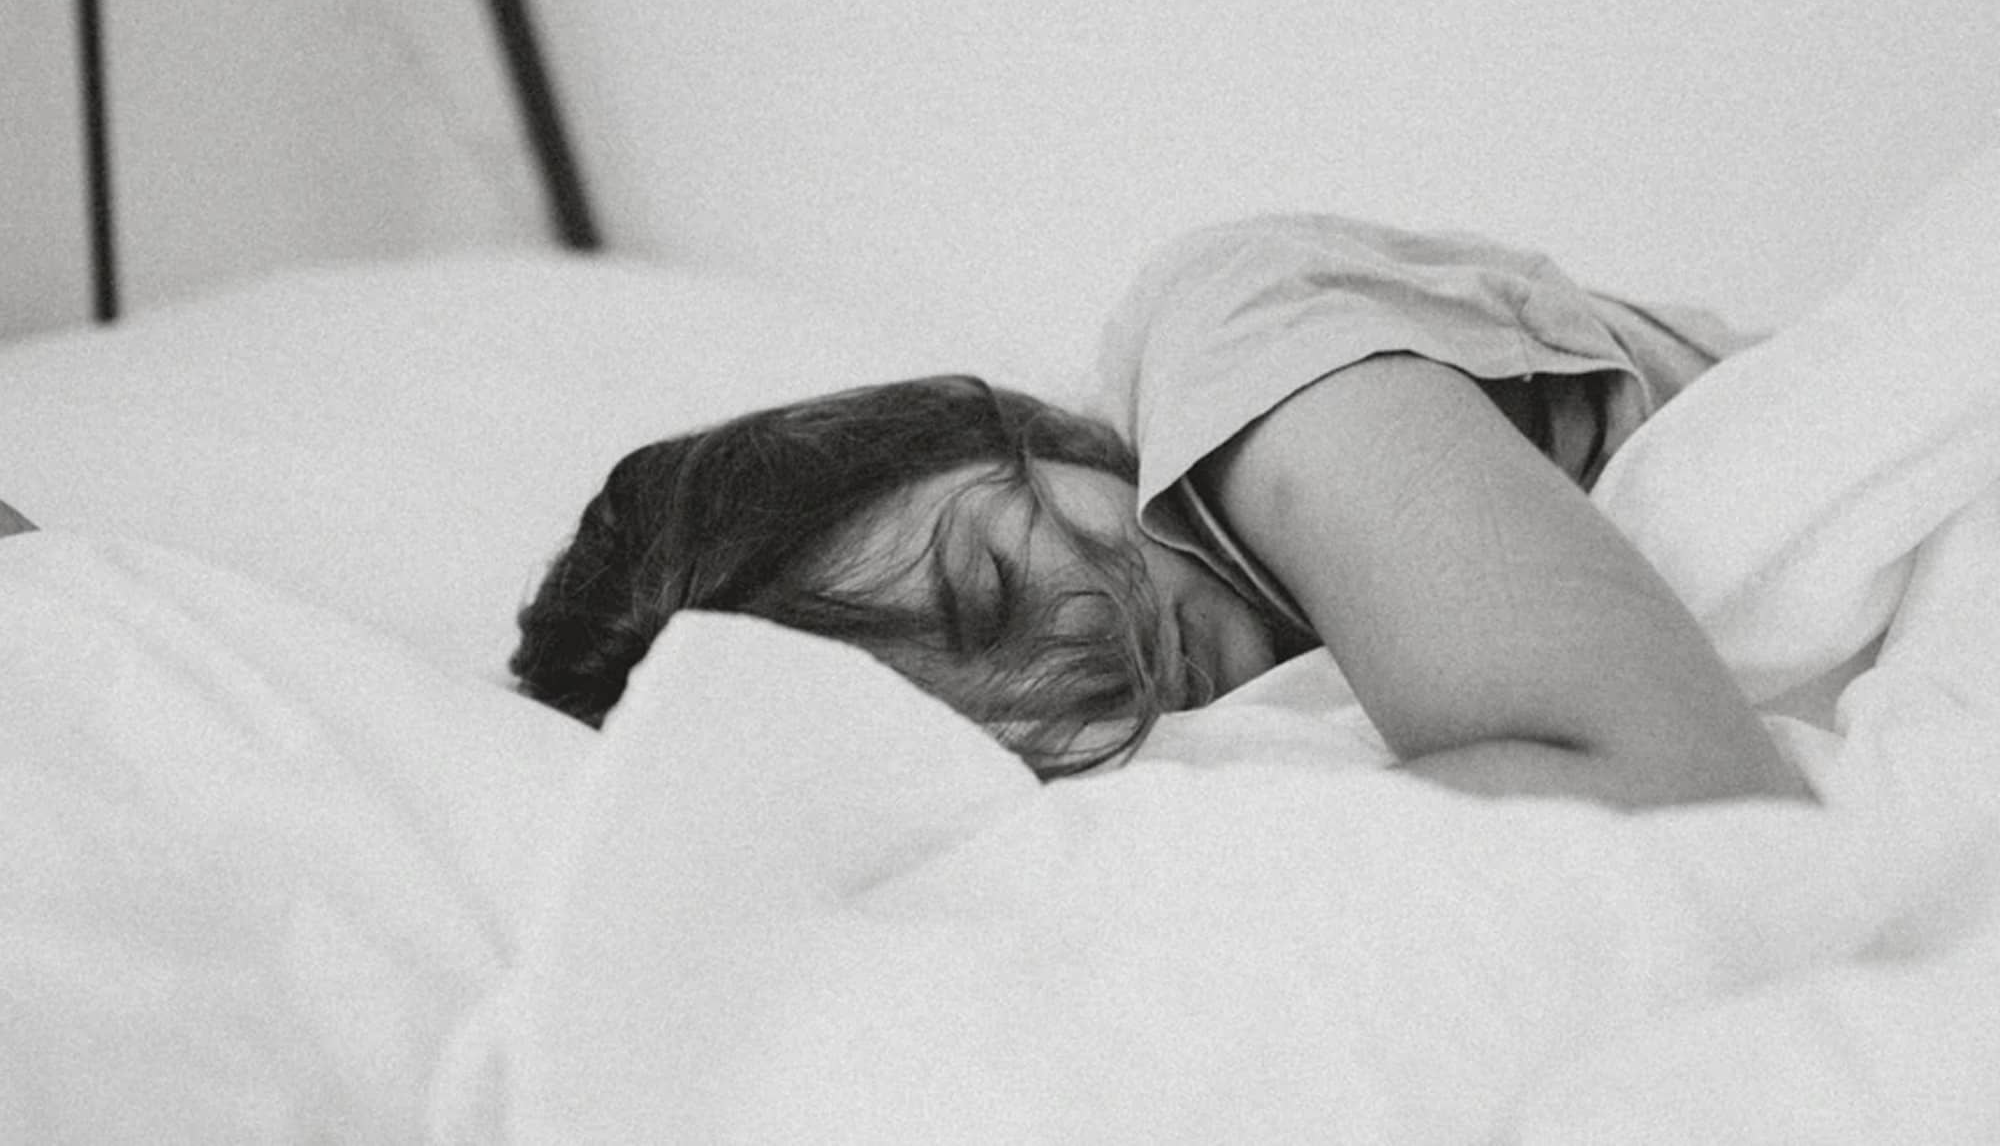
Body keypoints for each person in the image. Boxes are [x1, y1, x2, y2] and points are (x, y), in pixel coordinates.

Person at [512, 215, 1808, 805]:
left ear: (997, 431)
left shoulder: (1234, 343)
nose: (1081, 679)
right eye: (993, 739)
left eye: (991, 590)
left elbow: (1686, 789)